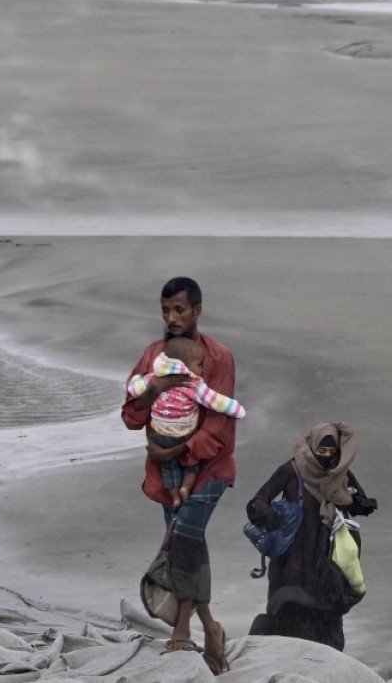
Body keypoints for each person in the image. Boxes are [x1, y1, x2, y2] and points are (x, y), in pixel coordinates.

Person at [122, 276, 237, 675]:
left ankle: (184, 629)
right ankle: (212, 629)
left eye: (180, 310)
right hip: (166, 473)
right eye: (166, 310)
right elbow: (131, 416)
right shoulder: (153, 357)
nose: (172, 318)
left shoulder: (218, 357)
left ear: (197, 311)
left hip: (211, 468)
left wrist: (174, 450)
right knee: (184, 544)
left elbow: (219, 427)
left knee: (185, 540)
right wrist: (157, 389)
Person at [245, 422, 378, 651]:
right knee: (287, 608)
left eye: (331, 452)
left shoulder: (340, 475)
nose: (326, 457)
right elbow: (258, 501)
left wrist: (354, 500)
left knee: (325, 614)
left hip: (323, 560)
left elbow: (360, 505)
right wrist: (272, 517)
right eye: (321, 452)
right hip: (291, 559)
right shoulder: (292, 470)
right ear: (312, 446)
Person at [127, 335, 246, 509]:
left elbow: (135, 389)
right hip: (183, 433)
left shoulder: (154, 379)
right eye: (199, 364)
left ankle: (175, 496)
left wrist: (137, 380)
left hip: (159, 433)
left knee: (168, 466)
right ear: (184, 366)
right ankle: (186, 487)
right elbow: (215, 400)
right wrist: (237, 409)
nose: (202, 368)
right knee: (191, 462)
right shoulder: (192, 384)